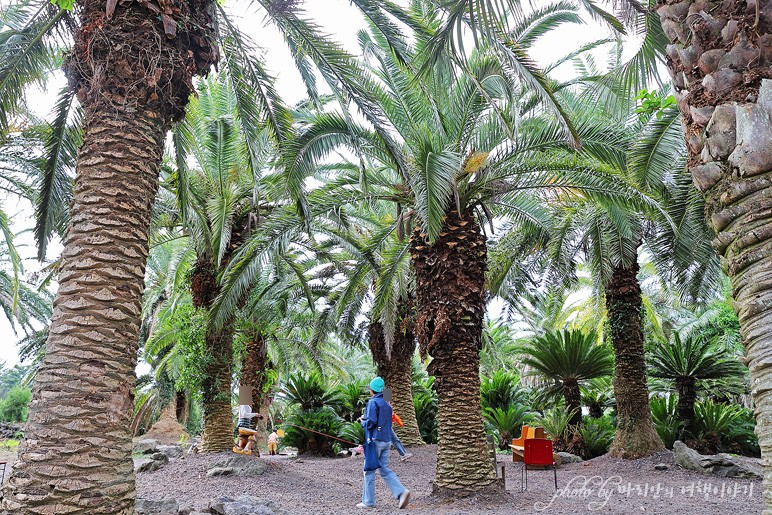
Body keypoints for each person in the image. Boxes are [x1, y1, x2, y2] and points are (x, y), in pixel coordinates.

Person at [357, 377, 411, 510]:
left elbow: (371, 423)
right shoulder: (387, 403)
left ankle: (368, 502)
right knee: (384, 470)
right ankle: (401, 492)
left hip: (375, 440)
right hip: (387, 441)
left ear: (371, 390)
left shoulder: (372, 402)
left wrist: (362, 422)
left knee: (369, 470)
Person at [233, 387, 263, 455]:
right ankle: (246, 450)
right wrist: (254, 414)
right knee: (252, 437)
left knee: (244, 439)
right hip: (243, 424)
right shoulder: (244, 404)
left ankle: (243, 450)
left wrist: (255, 415)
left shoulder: (245, 404)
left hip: (246, 424)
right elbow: (244, 414)